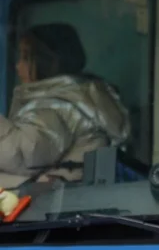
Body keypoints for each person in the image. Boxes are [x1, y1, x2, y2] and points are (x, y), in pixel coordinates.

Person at [0, 22, 130, 191]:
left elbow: (23, 154)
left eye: (26, 58)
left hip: (54, 205)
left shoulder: (57, 106)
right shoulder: (78, 98)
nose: (18, 67)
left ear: (47, 62)